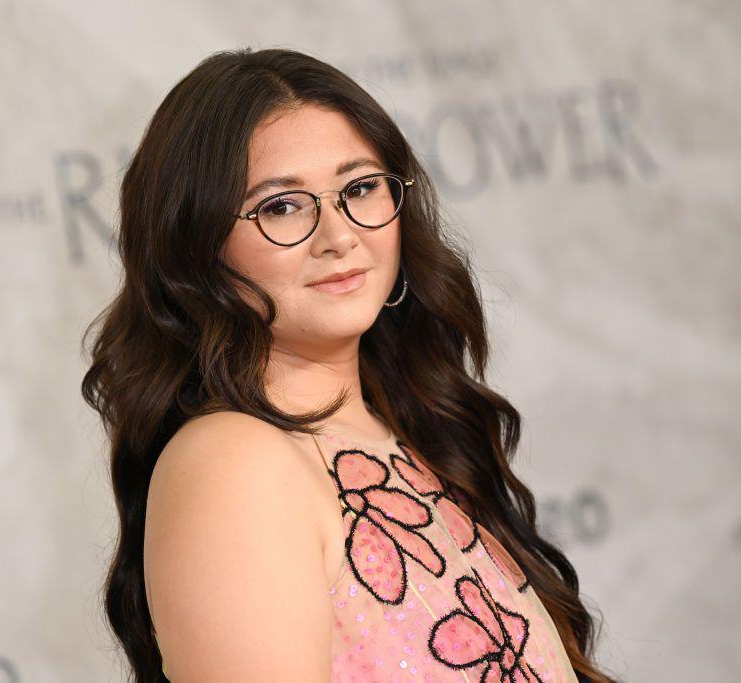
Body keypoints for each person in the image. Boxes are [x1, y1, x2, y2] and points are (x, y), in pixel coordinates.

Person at [81, 46, 616, 682]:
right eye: (281, 206)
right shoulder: (234, 461)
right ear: (197, 248)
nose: (339, 236)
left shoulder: (410, 438)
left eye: (360, 188)